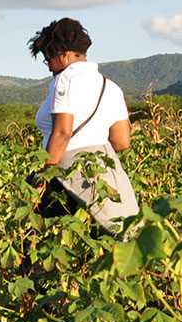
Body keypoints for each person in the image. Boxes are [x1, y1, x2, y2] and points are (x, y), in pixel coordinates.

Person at [27, 18, 138, 234]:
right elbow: (122, 141)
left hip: (63, 171)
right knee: (122, 234)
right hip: (105, 169)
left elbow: (62, 133)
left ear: (63, 54)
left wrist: (42, 177)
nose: (48, 65)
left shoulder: (66, 80)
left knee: (38, 238)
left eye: (48, 58)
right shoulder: (111, 87)